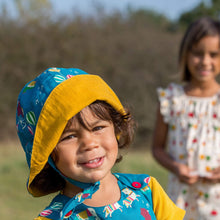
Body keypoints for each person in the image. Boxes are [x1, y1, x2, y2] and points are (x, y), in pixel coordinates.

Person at [16, 67, 184, 220]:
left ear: (116, 127)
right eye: (69, 137)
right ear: (46, 153)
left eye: (98, 127)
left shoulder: (146, 190)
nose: (89, 143)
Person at [152, 17, 220, 220]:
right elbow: (157, 148)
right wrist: (176, 167)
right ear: (186, 55)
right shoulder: (171, 99)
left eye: (214, 54)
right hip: (180, 197)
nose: (205, 61)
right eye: (198, 53)